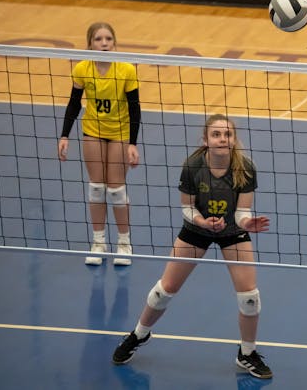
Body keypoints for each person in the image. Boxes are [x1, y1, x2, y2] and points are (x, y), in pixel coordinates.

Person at [111, 114, 273, 379]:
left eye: (228, 134)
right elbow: (186, 206)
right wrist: (202, 221)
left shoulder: (245, 167)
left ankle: (247, 353)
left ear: (234, 139)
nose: (223, 139)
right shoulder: (193, 166)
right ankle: (138, 335)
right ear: (206, 140)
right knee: (163, 291)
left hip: (232, 231)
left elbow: (242, 210)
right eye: (217, 134)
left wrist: (247, 222)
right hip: (197, 228)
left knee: (250, 298)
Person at [58, 22, 140, 266]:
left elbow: (135, 109)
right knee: (96, 187)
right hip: (92, 131)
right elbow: (74, 103)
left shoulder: (125, 69)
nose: (104, 43)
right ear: (90, 43)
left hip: (119, 133)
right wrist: (64, 136)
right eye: (98, 39)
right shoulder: (82, 68)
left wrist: (132, 144)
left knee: (116, 190)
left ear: (114, 43)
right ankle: (98, 242)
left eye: (108, 39)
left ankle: (124, 244)